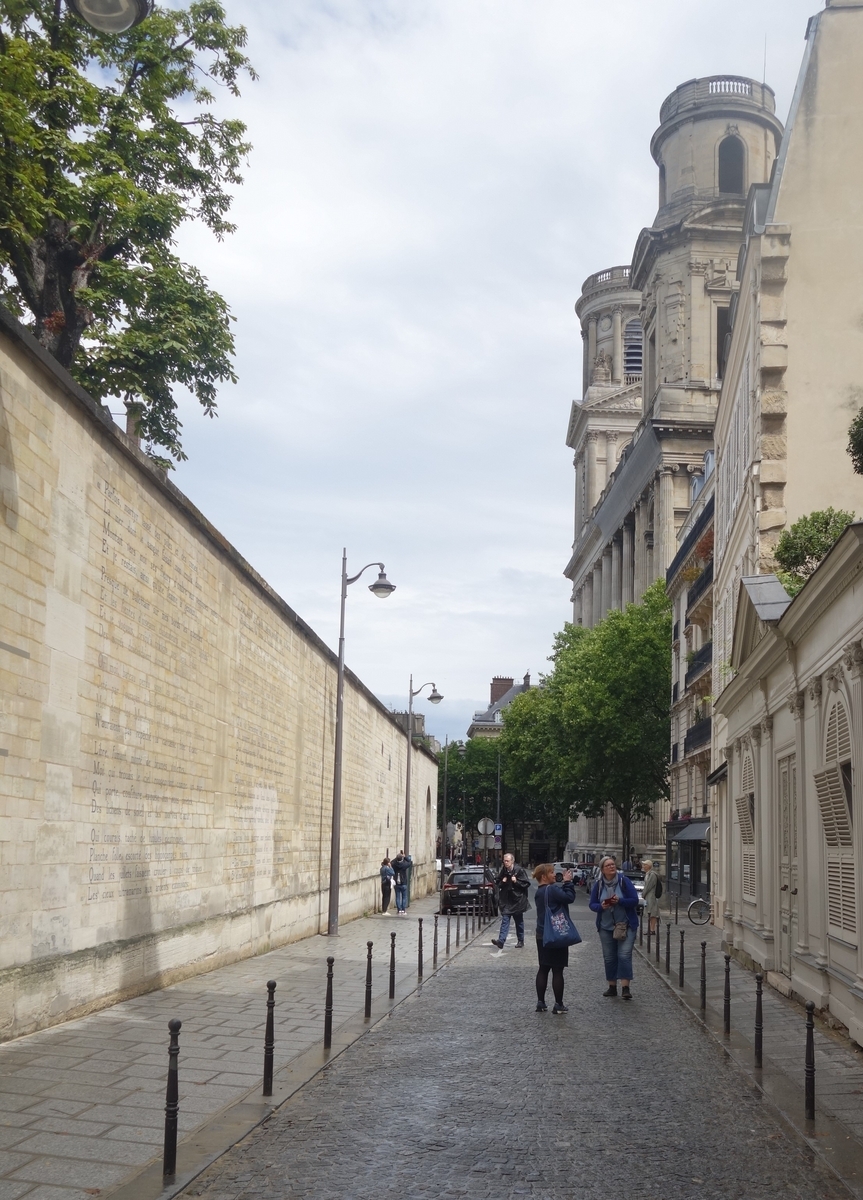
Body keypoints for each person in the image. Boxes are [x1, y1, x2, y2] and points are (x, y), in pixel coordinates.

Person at [589, 855, 639, 1000]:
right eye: (608, 865)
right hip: (605, 926)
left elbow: (634, 900)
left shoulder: (624, 881)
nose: (611, 867)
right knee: (609, 957)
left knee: (624, 955)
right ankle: (612, 987)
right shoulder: (599, 885)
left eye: (613, 864)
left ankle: (625, 988)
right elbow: (592, 904)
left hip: (625, 925)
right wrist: (601, 906)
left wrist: (620, 901)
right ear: (602, 870)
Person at [532, 863, 576, 1015]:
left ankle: (540, 1002)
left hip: (541, 934)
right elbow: (569, 898)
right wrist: (568, 882)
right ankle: (558, 1004)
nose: (554, 875)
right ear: (544, 876)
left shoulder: (539, 892)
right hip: (556, 934)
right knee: (557, 970)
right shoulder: (552, 889)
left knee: (543, 968)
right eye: (551, 872)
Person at [491, 853, 530, 949]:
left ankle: (520, 940)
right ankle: (501, 941)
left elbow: (526, 884)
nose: (505, 863)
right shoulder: (504, 870)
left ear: (512, 861)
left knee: (519, 921)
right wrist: (502, 881)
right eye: (504, 861)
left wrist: (516, 881)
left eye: (507, 861)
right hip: (507, 901)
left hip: (517, 900)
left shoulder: (519, 870)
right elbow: (498, 883)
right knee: (505, 920)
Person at [641, 858, 661, 934]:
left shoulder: (652, 875)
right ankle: (650, 929)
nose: (643, 866)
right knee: (649, 912)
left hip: (651, 896)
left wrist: (643, 894)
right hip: (648, 896)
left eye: (644, 865)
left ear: (648, 866)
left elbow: (648, 886)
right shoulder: (648, 874)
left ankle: (652, 929)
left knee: (652, 912)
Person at [391, 850, 412, 915]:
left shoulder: (394, 864)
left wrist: (397, 857)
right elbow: (410, 862)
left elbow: (392, 861)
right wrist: (404, 857)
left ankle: (399, 910)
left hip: (397, 883)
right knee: (404, 897)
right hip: (403, 882)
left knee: (397, 897)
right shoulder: (404, 865)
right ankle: (403, 910)